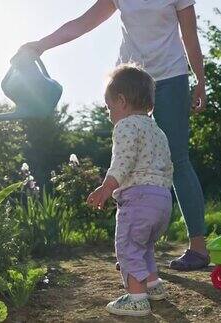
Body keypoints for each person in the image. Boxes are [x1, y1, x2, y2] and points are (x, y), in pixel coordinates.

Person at [19, 0, 209, 270]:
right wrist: (40, 45)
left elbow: (189, 34)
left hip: (171, 77)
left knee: (176, 159)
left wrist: (200, 81)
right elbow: (83, 23)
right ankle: (136, 249)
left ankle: (198, 249)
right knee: (129, 161)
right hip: (131, 82)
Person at [87, 64, 173, 316]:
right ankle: (154, 286)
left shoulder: (125, 126)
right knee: (144, 245)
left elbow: (122, 162)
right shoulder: (157, 131)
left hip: (139, 199)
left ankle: (137, 298)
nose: (109, 113)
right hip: (163, 200)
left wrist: (106, 188)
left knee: (127, 247)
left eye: (109, 107)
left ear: (122, 101)